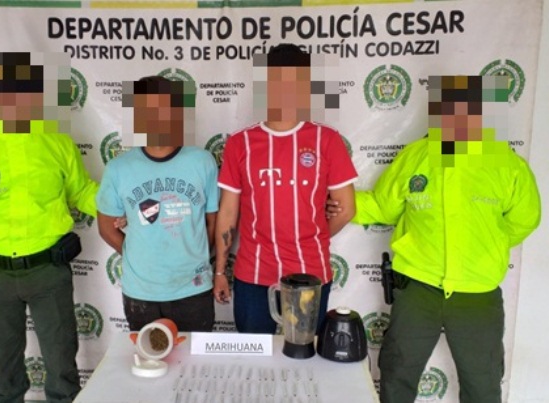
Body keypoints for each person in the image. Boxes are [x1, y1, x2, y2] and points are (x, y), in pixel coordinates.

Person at [333, 75, 540, 403]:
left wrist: (484, 250)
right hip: (418, 288)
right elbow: (384, 206)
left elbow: (524, 220)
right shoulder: (416, 157)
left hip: (477, 294)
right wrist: (338, 201)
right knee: (397, 372)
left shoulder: (506, 164)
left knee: (482, 383)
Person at [0, 52, 98, 403]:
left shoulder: (56, 143)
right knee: (4, 371)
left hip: (48, 272)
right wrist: (0, 237)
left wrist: (120, 203)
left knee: (62, 368)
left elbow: (81, 192)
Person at [214, 44, 357, 334]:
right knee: (254, 356)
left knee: (304, 355)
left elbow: (346, 209)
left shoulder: (327, 140)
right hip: (253, 275)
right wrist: (219, 270)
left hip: (310, 275)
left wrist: (310, 239)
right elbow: (228, 213)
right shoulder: (240, 143)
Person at [96, 76, 219, 332]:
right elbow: (106, 227)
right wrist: (138, 256)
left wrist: (192, 256)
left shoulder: (202, 162)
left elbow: (212, 223)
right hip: (141, 293)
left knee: (193, 358)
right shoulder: (118, 168)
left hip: (193, 289)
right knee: (146, 356)